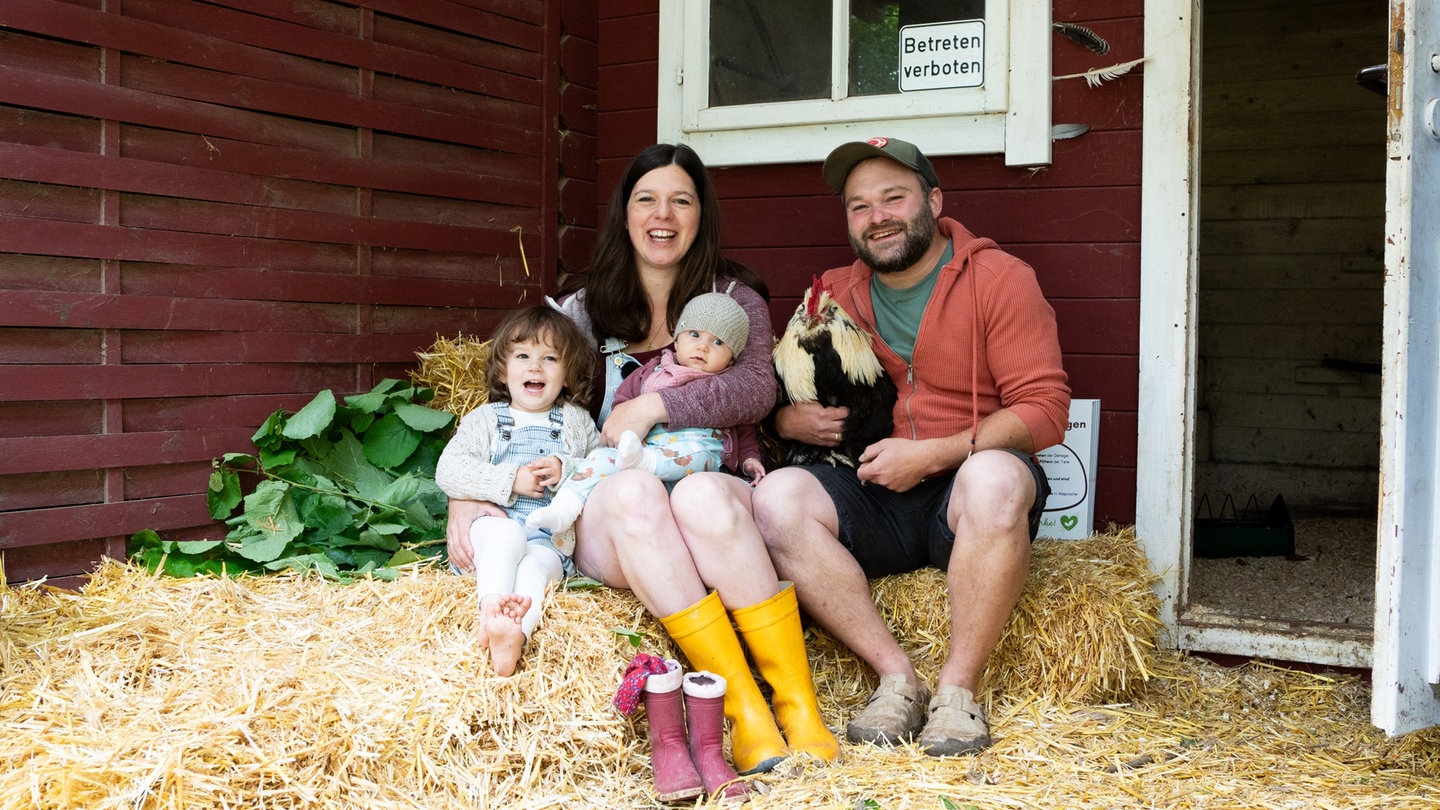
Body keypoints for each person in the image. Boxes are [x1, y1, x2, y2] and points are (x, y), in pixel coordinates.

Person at [443, 143, 838, 775]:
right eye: (646, 199)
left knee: (699, 495)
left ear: (701, 215)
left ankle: (799, 706)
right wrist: (469, 492)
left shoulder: (733, 299)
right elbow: (521, 405)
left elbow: (755, 389)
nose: (663, 215)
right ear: (624, 214)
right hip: (616, 509)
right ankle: (745, 710)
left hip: (709, 488)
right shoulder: (583, 309)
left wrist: (653, 407)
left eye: (681, 200)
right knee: (633, 491)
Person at [753, 137, 1071, 756]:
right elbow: (780, 387)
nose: (877, 217)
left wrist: (934, 454)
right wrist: (787, 423)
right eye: (859, 206)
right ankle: (896, 677)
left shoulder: (1000, 279)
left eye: (893, 198)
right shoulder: (834, 292)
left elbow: (1045, 407)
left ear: (933, 201)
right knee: (775, 500)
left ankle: (957, 690)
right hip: (874, 493)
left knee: (996, 479)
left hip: (965, 494)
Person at [434, 306, 601, 677]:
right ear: (502, 370)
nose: (535, 367)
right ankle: (491, 610)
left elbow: (602, 468)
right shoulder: (486, 419)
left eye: (550, 358)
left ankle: (513, 635)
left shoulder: (576, 422)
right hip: (493, 530)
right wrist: (510, 480)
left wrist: (566, 468)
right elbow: (449, 469)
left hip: (549, 540)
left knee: (535, 569)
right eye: (523, 356)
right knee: (506, 534)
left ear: (568, 373)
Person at [526, 289, 766, 535]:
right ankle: (564, 508)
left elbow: (744, 427)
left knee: (700, 454)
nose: (703, 347)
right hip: (644, 454)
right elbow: (623, 406)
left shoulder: (727, 387)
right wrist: (625, 431)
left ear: (731, 359)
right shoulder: (651, 372)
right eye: (694, 335)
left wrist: (749, 459)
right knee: (598, 458)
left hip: (696, 466)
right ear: (677, 340)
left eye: (718, 342)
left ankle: (645, 463)